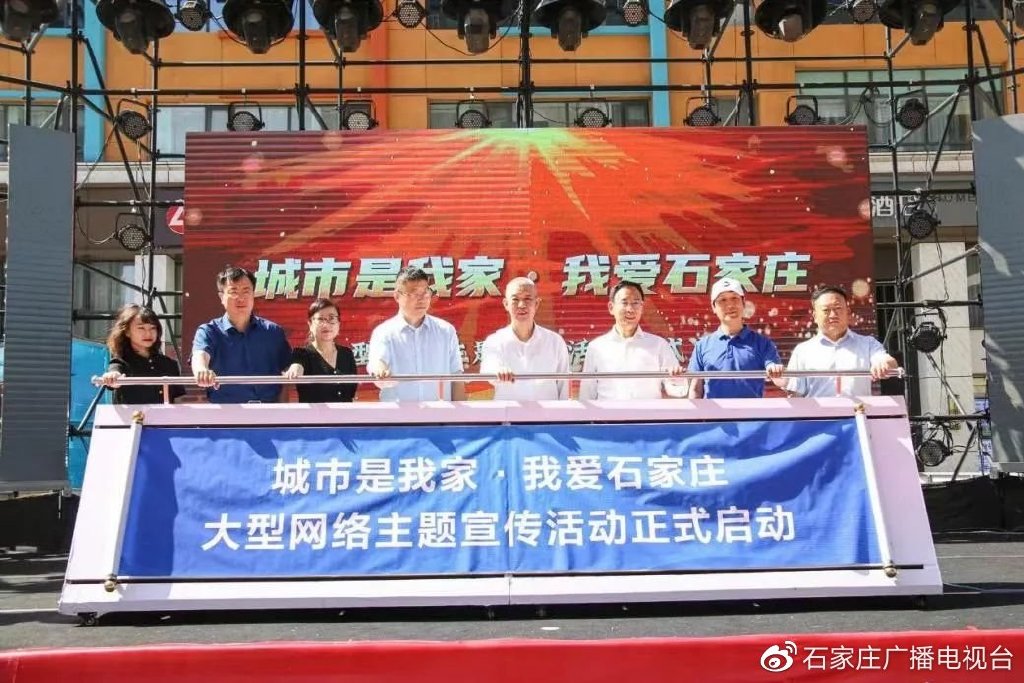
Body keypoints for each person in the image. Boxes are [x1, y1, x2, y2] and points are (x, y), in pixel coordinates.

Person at [191, 265, 292, 403]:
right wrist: (202, 370)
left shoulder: (273, 332)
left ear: (253, 294)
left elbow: (287, 369)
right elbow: (199, 356)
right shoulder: (209, 331)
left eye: (246, 291)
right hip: (227, 412)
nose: (240, 298)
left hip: (269, 411)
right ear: (221, 297)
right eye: (233, 292)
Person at [781, 285, 899, 398]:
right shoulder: (802, 351)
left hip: (858, 411)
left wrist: (884, 364)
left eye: (838, 308)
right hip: (818, 412)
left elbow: (887, 361)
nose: (833, 315)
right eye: (826, 310)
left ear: (848, 311)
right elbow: (795, 393)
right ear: (815, 316)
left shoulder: (868, 344)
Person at [368, 266, 465, 401]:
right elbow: (378, 364)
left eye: (425, 293)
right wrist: (381, 371)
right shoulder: (384, 332)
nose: (422, 299)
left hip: (439, 411)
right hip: (398, 412)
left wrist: (460, 413)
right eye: (414, 294)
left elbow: (456, 375)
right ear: (397, 296)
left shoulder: (445, 331)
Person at [579, 280, 686, 400]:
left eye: (635, 303)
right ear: (611, 307)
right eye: (624, 303)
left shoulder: (658, 345)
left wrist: (676, 379)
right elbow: (587, 394)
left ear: (642, 307)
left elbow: (677, 390)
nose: (630, 309)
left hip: (648, 412)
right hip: (608, 412)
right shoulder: (597, 347)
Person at [688, 278, 784, 399]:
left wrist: (776, 371)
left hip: (752, 411)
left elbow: (780, 380)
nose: (730, 305)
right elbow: (696, 389)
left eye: (734, 298)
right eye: (722, 300)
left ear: (743, 303)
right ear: (713, 307)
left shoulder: (762, 343)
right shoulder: (702, 345)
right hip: (713, 411)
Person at [479, 277, 570, 400]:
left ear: (536, 303)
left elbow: (564, 387)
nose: (521, 305)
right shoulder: (494, 341)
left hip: (548, 412)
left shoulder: (555, 342)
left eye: (527, 299)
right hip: (508, 411)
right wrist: (498, 371)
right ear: (506, 304)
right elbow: (488, 368)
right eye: (515, 299)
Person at [100, 304, 186, 405]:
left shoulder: (170, 364)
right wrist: (112, 377)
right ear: (127, 331)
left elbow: (178, 400)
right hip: (132, 415)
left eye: (152, 328)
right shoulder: (121, 362)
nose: (148, 333)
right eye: (141, 328)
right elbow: (115, 373)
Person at [285, 298, 358, 403]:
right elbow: (297, 366)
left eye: (331, 318)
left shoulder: (346, 354)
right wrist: (295, 370)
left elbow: (352, 392)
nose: (326, 324)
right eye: (320, 319)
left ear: (338, 323)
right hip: (314, 413)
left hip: (344, 413)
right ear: (310, 324)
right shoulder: (302, 354)